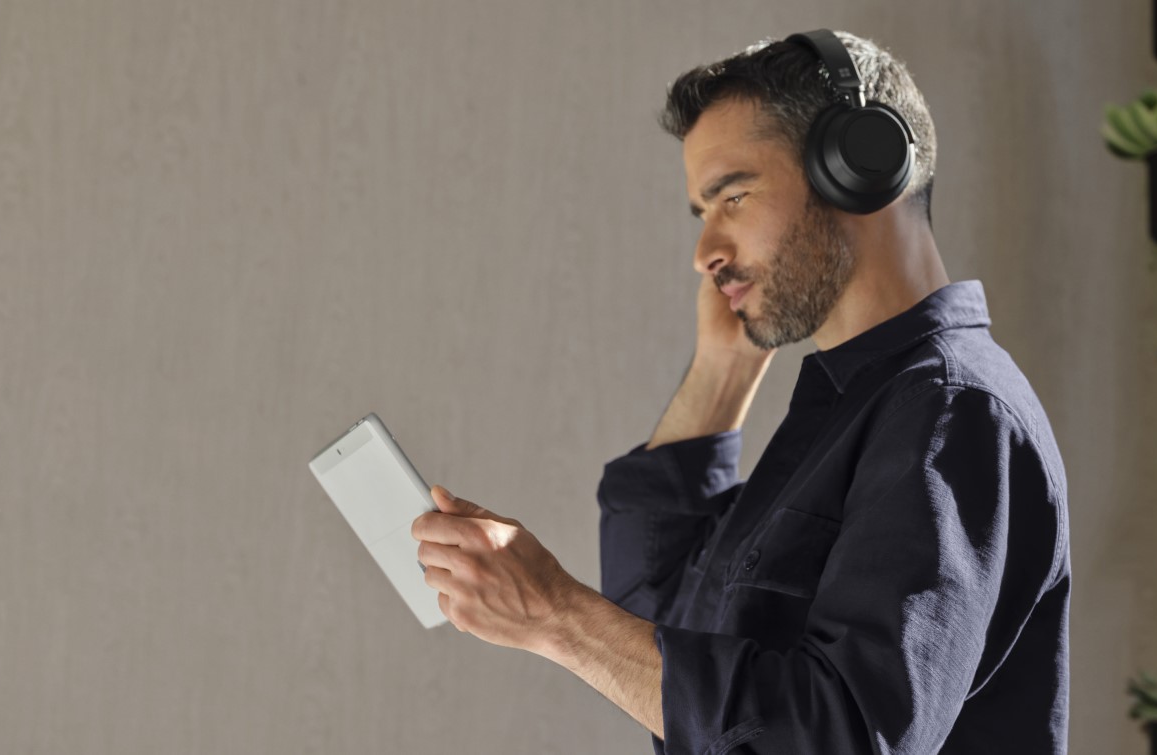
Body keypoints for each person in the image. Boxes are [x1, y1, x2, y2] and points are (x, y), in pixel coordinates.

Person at [411, 28, 1070, 754]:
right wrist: (721, 373)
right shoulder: (849, 413)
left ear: (860, 165)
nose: (705, 253)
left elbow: (842, 735)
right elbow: (658, 621)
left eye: (733, 197)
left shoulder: (949, 411)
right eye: (702, 213)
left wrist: (559, 615)